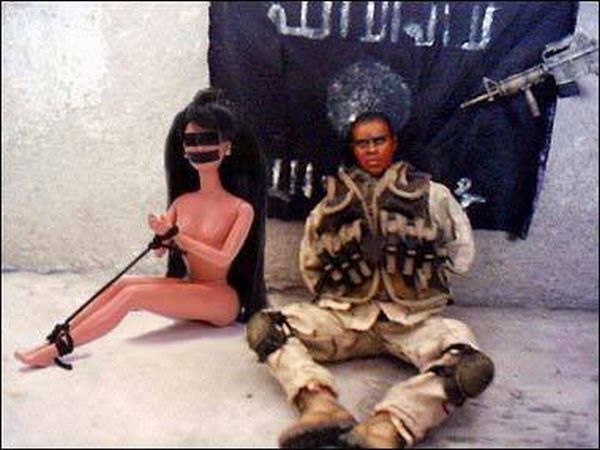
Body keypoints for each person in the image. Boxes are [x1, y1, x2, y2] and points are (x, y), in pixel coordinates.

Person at [246, 111, 494, 448]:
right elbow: (311, 265)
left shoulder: (433, 195)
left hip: (412, 322)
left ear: (393, 143)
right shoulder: (331, 205)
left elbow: (461, 255)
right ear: (353, 149)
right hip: (347, 319)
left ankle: (389, 425)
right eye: (363, 143)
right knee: (266, 328)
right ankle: (319, 404)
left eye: (379, 140)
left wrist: (420, 278)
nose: (372, 149)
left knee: (469, 366)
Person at [15, 88, 267, 369]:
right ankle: (58, 336)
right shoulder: (182, 203)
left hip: (220, 298)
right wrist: (161, 237)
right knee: (124, 284)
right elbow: (160, 252)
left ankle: (59, 349)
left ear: (226, 146)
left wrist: (179, 237)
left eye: (207, 140)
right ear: (184, 150)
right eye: (190, 141)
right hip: (191, 286)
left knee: (134, 295)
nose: (198, 148)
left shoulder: (241, 208)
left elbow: (223, 258)